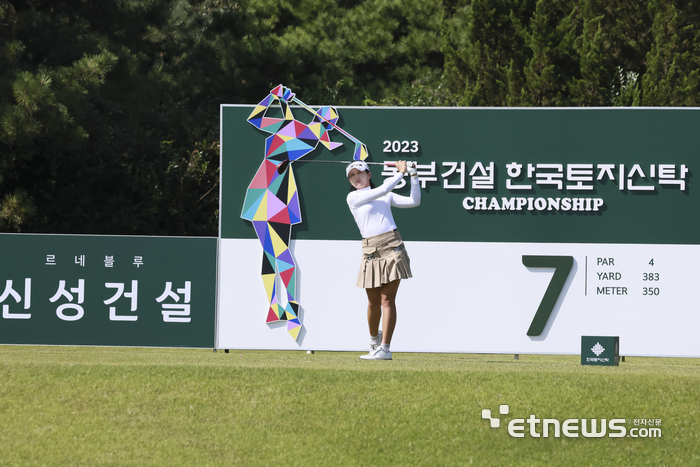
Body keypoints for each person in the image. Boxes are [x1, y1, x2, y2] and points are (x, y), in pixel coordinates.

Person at [346, 160, 421, 360]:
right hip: (370, 249)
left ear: (369, 174)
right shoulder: (353, 197)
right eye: (352, 175)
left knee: (387, 299)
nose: (356, 178)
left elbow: (414, 201)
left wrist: (413, 176)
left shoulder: (385, 195)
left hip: (392, 245)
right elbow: (383, 188)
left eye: (359, 173)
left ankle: (385, 349)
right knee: (372, 302)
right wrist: (400, 173)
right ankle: (374, 342)